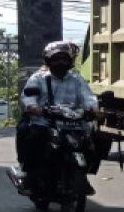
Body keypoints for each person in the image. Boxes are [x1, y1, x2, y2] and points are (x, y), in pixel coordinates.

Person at [16, 41, 99, 190]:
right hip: (45, 122)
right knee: (33, 135)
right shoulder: (38, 78)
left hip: (73, 123)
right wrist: (34, 107)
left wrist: (93, 109)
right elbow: (27, 96)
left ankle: (85, 171)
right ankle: (30, 173)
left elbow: (88, 97)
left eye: (64, 59)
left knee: (97, 139)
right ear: (48, 61)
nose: (60, 62)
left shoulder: (76, 79)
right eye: (56, 59)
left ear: (70, 61)